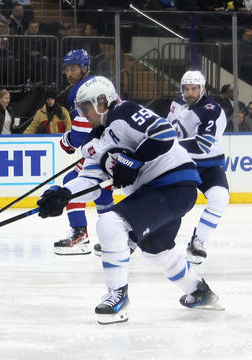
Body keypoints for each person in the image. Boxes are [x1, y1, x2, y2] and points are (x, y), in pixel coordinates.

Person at [36, 76, 223, 324]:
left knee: (110, 223)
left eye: (86, 107)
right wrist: (64, 194)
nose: (82, 113)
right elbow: (90, 180)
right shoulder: (94, 144)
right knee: (157, 250)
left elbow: (163, 133)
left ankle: (118, 296)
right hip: (157, 192)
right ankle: (199, 292)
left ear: (101, 101)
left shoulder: (124, 111)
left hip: (175, 183)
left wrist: (134, 161)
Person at [166, 71, 229, 264]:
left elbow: (202, 145)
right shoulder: (177, 103)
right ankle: (141, 237)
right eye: (187, 88)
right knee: (172, 203)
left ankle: (198, 242)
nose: (190, 92)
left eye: (194, 88)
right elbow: (168, 127)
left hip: (208, 165)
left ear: (203, 89)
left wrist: (169, 144)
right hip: (182, 163)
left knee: (219, 197)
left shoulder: (212, 110)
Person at [56, 49, 114, 256]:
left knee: (72, 181)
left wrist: (66, 140)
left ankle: (81, 235)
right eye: (67, 70)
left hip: (106, 149)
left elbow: (80, 137)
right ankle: (113, 239)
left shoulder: (80, 92)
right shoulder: (100, 84)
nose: (69, 74)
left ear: (85, 68)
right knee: (103, 192)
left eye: (73, 69)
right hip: (113, 147)